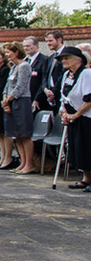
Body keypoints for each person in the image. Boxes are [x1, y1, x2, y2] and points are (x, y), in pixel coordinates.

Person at [58, 46, 91, 191]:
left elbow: (89, 99)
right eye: (62, 59)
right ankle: (86, 179)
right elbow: (63, 97)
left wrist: (75, 115)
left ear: (78, 59)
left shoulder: (87, 74)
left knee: (88, 148)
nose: (63, 61)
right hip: (72, 118)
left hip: (86, 117)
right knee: (78, 149)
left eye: (66, 58)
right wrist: (64, 112)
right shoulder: (66, 75)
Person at [2, 41, 35, 174]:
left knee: (25, 134)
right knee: (17, 135)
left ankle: (29, 164)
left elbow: (21, 86)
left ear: (16, 52)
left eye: (9, 52)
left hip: (22, 101)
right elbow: (8, 86)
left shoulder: (24, 66)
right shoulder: (13, 67)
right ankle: (22, 162)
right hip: (12, 102)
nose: (7, 55)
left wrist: (8, 99)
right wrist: (5, 99)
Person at [23, 36, 50, 113]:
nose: (26, 48)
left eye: (28, 46)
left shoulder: (44, 60)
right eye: (24, 46)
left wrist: (37, 99)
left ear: (36, 46)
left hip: (38, 100)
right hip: (27, 99)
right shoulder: (26, 61)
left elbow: (43, 81)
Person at [44, 30, 66, 109]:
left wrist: (54, 92)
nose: (48, 44)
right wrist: (45, 89)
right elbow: (46, 75)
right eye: (47, 41)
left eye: (50, 41)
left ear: (59, 40)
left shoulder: (67, 55)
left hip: (61, 94)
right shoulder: (51, 57)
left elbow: (63, 74)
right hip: (50, 96)